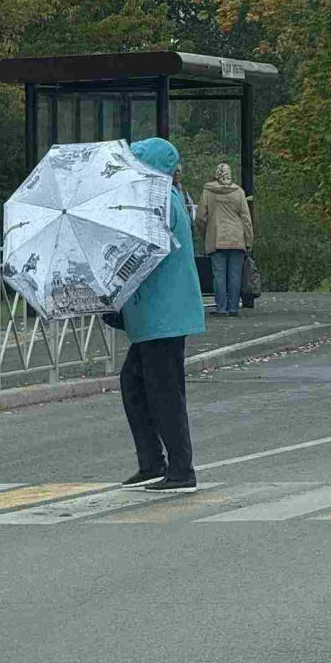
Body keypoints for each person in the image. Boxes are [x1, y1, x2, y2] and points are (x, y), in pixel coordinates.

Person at [119, 138, 206, 493]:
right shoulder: (159, 199)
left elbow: (142, 252)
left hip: (164, 317)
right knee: (136, 385)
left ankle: (181, 470)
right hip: (154, 317)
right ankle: (153, 463)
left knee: (164, 392)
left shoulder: (160, 201)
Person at [196, 162, 254, 316]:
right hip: (237, 239)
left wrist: (205, 233)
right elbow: (246, 219)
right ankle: (233, 308)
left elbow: (200, 217)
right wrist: (249, 240)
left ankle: (221, 308)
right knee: (235, 275)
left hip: (216, 238)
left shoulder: (208, 191)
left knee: (219, 275)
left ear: (216, 175)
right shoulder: (238, 192)